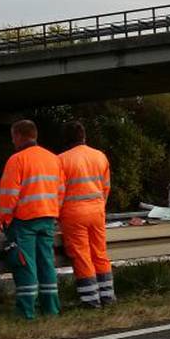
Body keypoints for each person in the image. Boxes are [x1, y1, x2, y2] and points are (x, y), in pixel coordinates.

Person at [0, 119, 65, 319]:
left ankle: (27, 311)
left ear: (18, 136)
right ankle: (51, 308)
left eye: (12, 137)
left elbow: (9, 194)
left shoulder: (17, 160)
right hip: (48, 217)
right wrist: (55, 212)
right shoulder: (53, 159)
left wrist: (5, 218)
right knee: (46, 263)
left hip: (24, 220)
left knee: (25, 265)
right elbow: (61, 190)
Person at [58, 121, 115, 309]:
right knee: (100, 253)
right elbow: (106, 187)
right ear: (84, 136)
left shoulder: (62, 160)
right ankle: (108, 297)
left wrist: (56, 216)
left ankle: (91, 300)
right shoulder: (100, 156)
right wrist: (100, 205)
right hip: (97, 210)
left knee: (82, 255)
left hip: (73, 214)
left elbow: (58, 192)